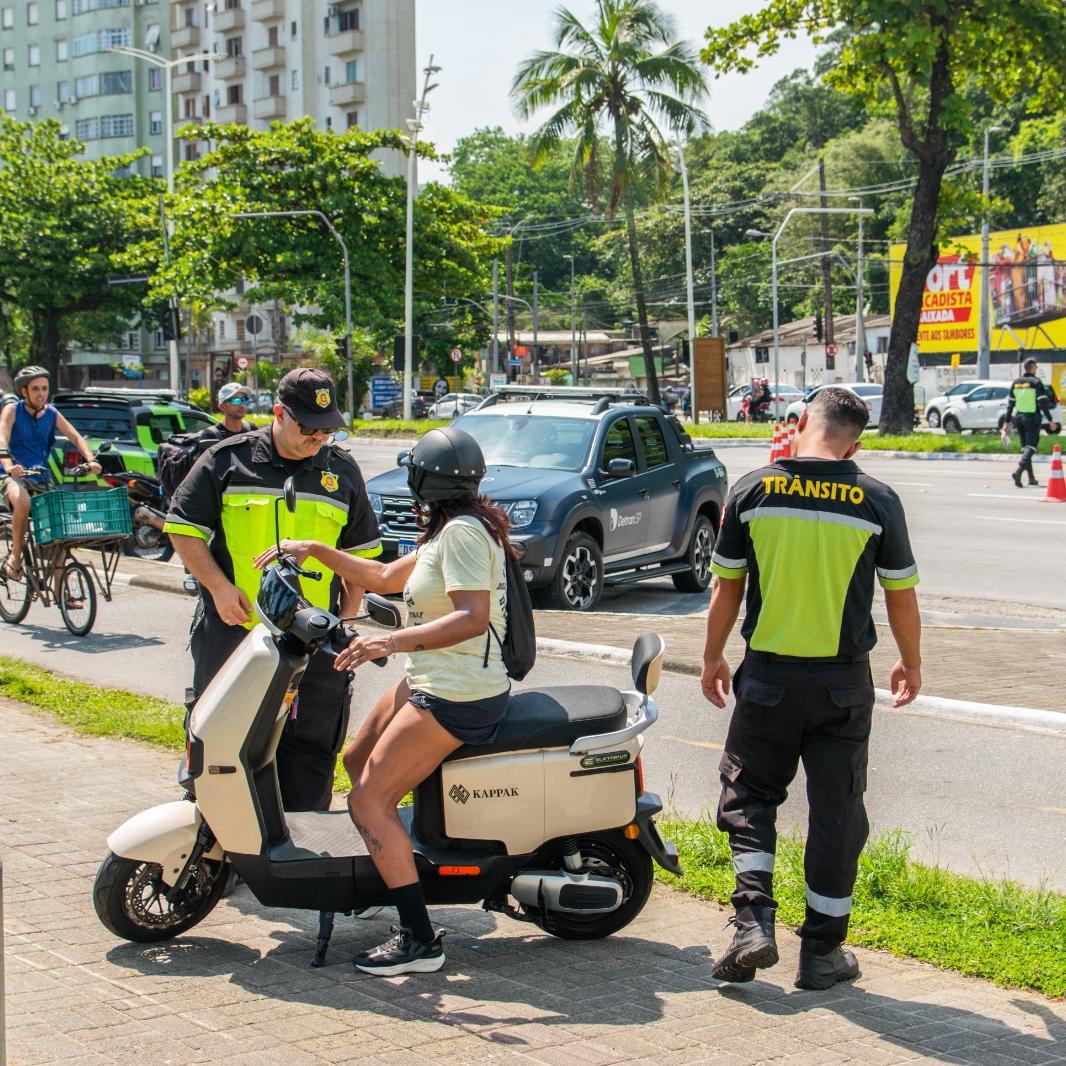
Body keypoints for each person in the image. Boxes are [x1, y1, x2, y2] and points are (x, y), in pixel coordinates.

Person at [255, 426, 511, 977]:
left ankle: (420, 940)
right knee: (353, 761)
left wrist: (388, 640)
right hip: (433, 676)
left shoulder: (463, 534)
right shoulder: (447, 530)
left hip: (456, 691)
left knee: (368, 800)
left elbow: (472, 617)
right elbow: (385, 576)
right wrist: (315, 550)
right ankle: (390, 867)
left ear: (423, 479)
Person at [701, 386, 922, 991]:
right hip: (842, 687)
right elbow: (901, 595)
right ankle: (821, 954)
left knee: (748, 797)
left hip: (768, 679)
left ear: (800, 423)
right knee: (837, 813)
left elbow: (726, 590)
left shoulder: (753, 490)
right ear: (856, 441)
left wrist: (713, 657)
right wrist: (911, 662)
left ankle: (752, 922)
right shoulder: (876, 500)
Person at [164, 368, 381, 812]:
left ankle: (301, 857)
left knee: (310, 754)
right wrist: (220, 589)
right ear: (279, 414)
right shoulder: (226, 461)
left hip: (316, 643)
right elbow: (182, 529)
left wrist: (347, 616)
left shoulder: (340, 472)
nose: (319, 437)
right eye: (309, 428)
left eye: (328, 428)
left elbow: (362, 556)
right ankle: (215, 859)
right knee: (222, 750)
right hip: (235, 635)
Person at [0, 366, 101, 593]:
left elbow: (75, 436)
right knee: (23, 502)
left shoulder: (52, 413)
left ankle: (60, 591)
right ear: (24, 391)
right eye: (35, 389)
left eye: (44, 388)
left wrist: (91, 460)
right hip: (11, 475)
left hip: (41, 476)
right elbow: (2, 436)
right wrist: (8, 465)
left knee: (60, 531)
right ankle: (15, 558)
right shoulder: (12, 410)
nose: (41, 394)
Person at [1005, 358, 1049, 488]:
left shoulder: (1016, 383)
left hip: (1018, 418)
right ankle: (1018, 471)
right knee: (1031, 446)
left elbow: (1010, 405)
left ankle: (1031, 478)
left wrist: (1006, 422)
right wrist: (1050, 419)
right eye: (1036, 367)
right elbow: (1042, 403)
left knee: (1025, 448)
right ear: (1032, 368)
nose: (1036, 369)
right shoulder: (1036, 382)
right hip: (1032, 418)